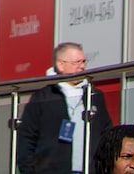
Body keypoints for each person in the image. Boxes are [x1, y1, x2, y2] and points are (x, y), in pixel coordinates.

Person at [17, 42, 115, 174]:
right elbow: (26, 139)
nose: (82, 67)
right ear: (60, 65)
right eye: (76, 62)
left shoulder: (94, 95)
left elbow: (107, 135)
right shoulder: (43, 98)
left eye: (83, 62)